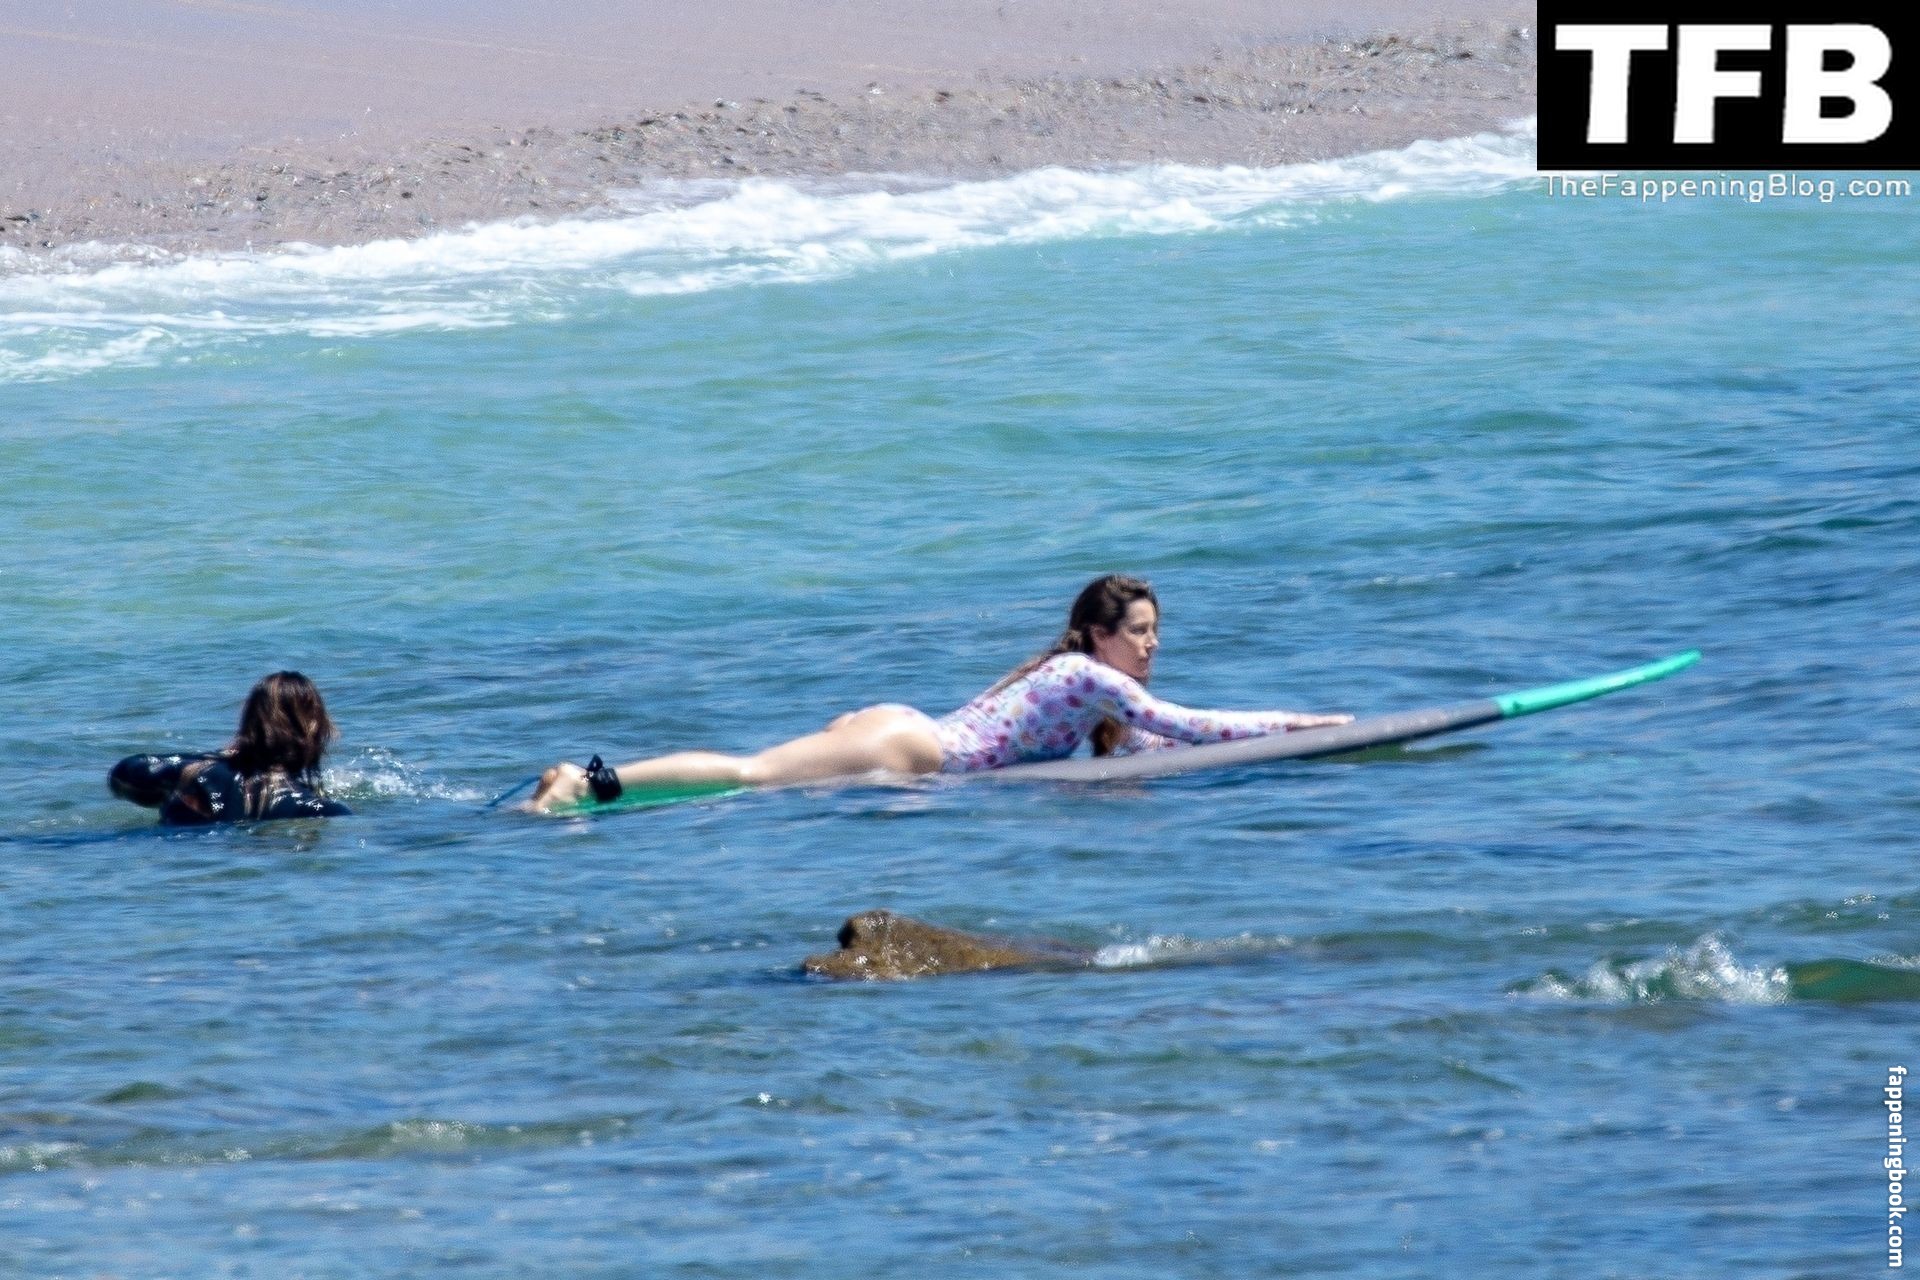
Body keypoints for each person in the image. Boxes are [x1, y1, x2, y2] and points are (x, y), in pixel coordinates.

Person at [528, 574, 1351, 811]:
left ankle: (597, 784)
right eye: (1139, 630)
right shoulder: (1087, 675)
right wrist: (1304, 725)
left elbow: (1158, 744)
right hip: (912, 748)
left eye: (1156, 631)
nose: (1152, 644)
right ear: (1099, 634)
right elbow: (1190, 724)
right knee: (751, 775)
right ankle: (590, 780)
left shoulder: (1088, 691)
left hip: (906, 741)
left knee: (760, 785)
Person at [109, 671, 351, 824]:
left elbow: (123, 773)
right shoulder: (318, 807)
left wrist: (190, 774)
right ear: (316, 728)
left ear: (249, 721)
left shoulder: (202, 772)